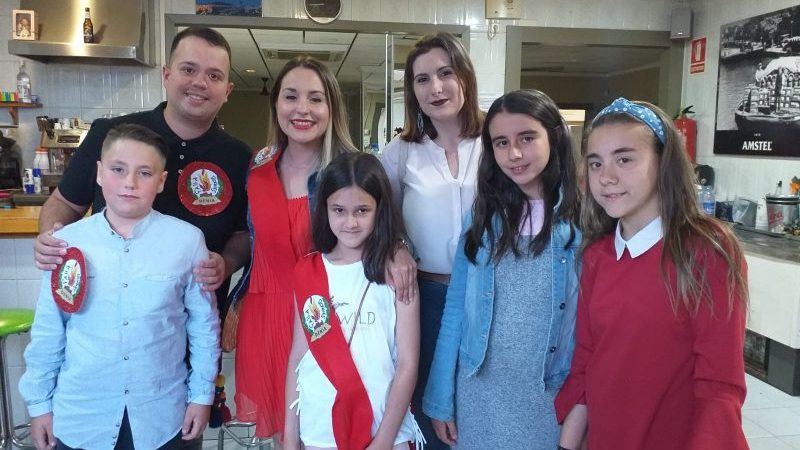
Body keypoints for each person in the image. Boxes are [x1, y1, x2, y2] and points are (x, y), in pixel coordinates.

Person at [231, 56, 417, 442]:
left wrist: (399, 248)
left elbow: (386, 224)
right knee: (290, 434)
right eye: (290, 96)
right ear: (276, 104)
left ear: (331, 107)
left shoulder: (349, 169)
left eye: (315, 98)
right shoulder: (258, 168)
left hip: (329, 314)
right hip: (267, 320)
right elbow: (253, 243)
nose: (302, 108)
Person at [555, 98, 749, 450]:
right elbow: (587, 361)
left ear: (664, 163)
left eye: (624, 159)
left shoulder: (705, 250)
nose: (606, 177)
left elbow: (719, 386)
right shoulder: (597, 255)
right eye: (596, 163)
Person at [19, 124, 220, 450]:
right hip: (82, 414)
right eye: (118, 169)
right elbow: (49, 329)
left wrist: (201, 395)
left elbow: (203, 327)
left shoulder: (187, 241)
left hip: (162, 416)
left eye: (144, 173)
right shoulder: (67, 243)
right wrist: (39, 403)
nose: (130, 183)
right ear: (99, 173)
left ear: (161, 181)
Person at [33, 26, 251, 324]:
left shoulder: (240, 158)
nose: (200, 82)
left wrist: (226, 262)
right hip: (104, 320)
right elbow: (64, 203)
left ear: (227, 91)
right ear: (166, 75)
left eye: (214, 76)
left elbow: (243, 234)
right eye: (188, 69)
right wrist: (50, 239)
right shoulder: (111, 135)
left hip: (195, 326)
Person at [422, 90, 581, 449]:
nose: (514, 154)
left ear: (554, 136)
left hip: (550, 393)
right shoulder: (481, 219)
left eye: (527, 138)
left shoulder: (582, 223)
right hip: (479, 393)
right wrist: (440, 395)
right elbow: (455, 309)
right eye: (501, 143)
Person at [379, 32, 483, 450]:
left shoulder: (494, 144)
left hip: (485, 295)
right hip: (426, 298)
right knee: (430, 410)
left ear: (465, 77)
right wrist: (397, 247)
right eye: (422, 79)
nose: (435, 88)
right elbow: (379, 218)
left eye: (445, 73)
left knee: (478, 403)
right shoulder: (402, 152)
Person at [284, 152, 424, 450]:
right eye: (339, 210)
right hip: (320, 427)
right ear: (324, 209)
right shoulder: (308, 272)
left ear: (380, 209)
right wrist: (289, 436)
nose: (350, 222)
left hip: (385, 429)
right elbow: (298, 356)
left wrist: (383, 441)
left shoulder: (398, 273)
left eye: (362, 210)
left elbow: (408, 364)